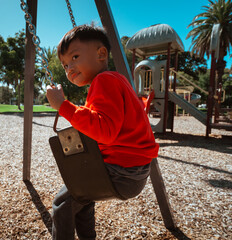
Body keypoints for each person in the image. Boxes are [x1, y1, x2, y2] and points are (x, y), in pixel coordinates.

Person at [46, 24, 159, 240]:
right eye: (65, 65)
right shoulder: (117, 80)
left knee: (62, 203)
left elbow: (104, 131)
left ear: (101, 54)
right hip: (135, 171)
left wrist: (63, 105)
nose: (69, 67)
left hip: (121, 172)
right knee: (82, 197)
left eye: (75, 57)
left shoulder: (103, 81)